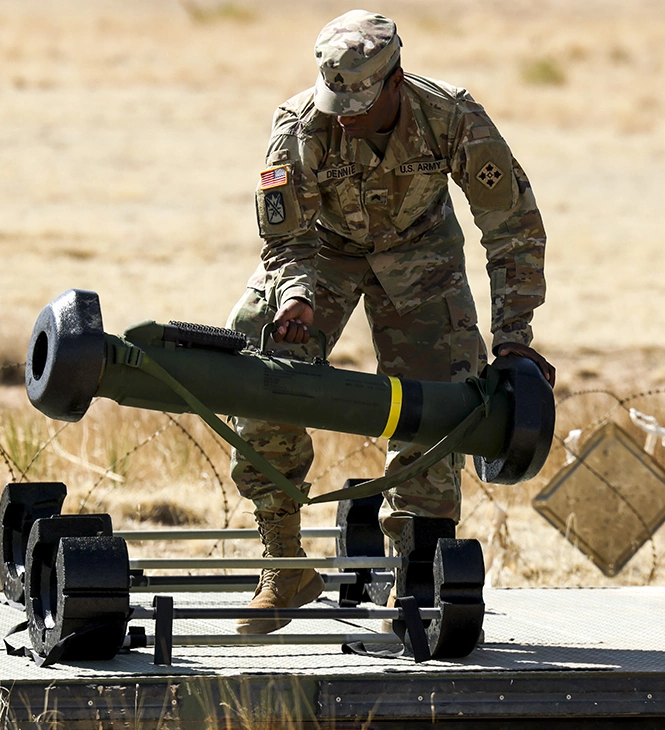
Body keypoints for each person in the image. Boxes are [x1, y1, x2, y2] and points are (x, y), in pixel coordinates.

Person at [226, 9, 553, 634]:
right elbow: (285, 238)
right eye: (336, 98)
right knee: (258, 364)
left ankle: (419, 580)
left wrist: (513, 338)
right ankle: (284, 560)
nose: (345, 113)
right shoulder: (298, 126)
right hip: (321, 255)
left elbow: (513, 229)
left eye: (362, 99)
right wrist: (294, 296)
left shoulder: (450, 116)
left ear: (396, 79)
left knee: (439, 402)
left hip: (421, 254)